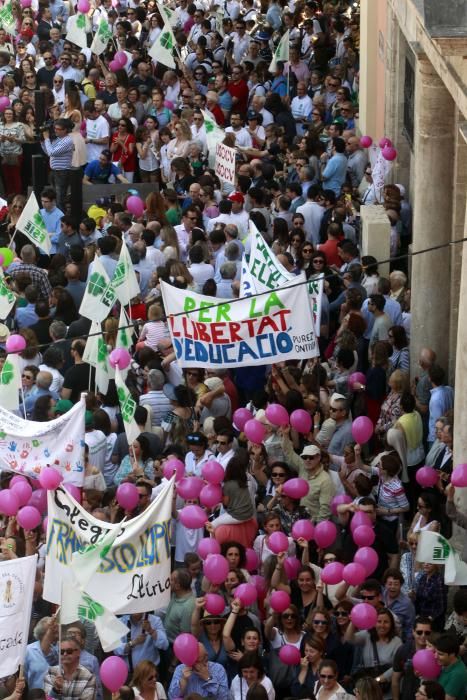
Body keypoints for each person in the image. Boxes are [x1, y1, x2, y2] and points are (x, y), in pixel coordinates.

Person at [43, 634, 96, 700]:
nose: (65, 654)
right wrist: (56, 690)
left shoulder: (89, 677)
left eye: (69, 651)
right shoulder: (50, 672)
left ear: (78, 652)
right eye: (62, 652)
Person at [433, 635, 467, 700]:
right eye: (435, 652)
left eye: (440, 654)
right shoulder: (444, 662)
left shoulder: (457, 674)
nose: (435, 656)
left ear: (452, 654)